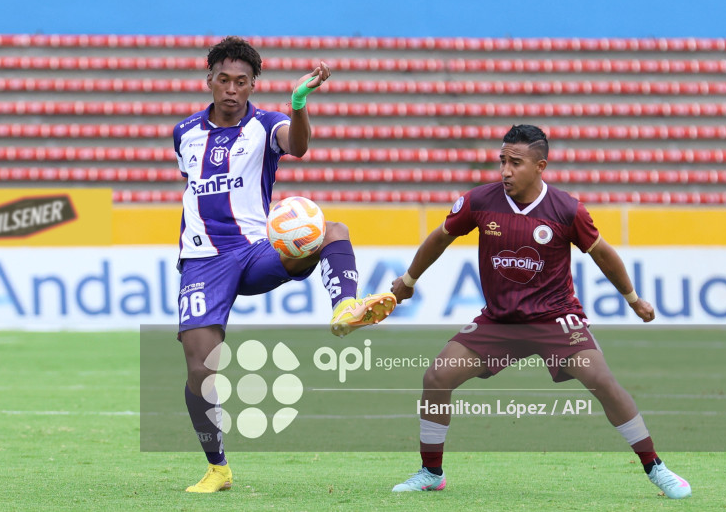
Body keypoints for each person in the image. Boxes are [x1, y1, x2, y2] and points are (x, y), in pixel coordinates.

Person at [389, 125, 691, 499]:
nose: (505, 171)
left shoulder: (567, 210)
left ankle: (656, 468)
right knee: (436, 378)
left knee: (602, 381)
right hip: (499, 320)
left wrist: (633, 299)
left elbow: (603, 253)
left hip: (555, 319)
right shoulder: (479, 202)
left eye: (515, 163)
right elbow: (440, 237)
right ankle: (431, 472)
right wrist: (408, 279)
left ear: (540, 166)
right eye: (502, 161)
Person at [173, 36, 396, 493]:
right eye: (223, 80)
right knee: (200, 371)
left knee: (333, 230)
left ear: (253, 85)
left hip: (256, 251)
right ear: (209, 80)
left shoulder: (265, 125)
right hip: (202, 262)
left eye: (242, 82)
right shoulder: (184, 134)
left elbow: (297, 145)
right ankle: (218, 469)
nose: (232, 89)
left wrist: (298, 102)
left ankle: (345, 308)